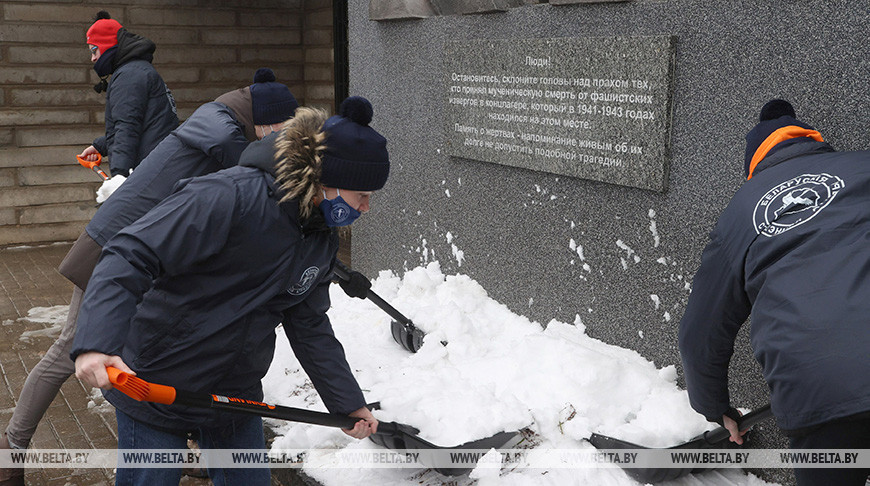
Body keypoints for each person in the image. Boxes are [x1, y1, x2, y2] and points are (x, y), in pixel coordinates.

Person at [0, 69, 298, 486]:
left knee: (160, 348)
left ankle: (184, 447)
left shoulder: (223, 121)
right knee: (73, 345)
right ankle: (12, 448)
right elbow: (254, 179)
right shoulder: (225, 134)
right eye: (281, 128)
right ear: (265, 120)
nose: (280, 137)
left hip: (148, 249)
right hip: (115, 250)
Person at [71, 97, 388, 485]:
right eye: (362, 196)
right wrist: (96, 342)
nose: (367, 208)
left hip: (234, 390)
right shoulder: (230, 197)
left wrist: (347, 403)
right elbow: (131, 252)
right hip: (156, 377)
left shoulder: (318, 237)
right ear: (328, 182)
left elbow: (308, 323)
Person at [678, 99, 870, 486]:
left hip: (821, 392)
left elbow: (699, 333)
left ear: (755, 163)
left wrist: (715, 407)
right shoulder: (863, 166)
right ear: (812, 141)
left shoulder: (740, 212)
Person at [78, 11, 178, 177]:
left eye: (94, 50)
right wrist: (101, 146)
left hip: (150, 172)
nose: (93, 58)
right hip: (160, 166)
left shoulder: (129, 76)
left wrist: (119, 177)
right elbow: (145, 125)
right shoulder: (137, 70)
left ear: (107, 45)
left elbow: (127, 128)